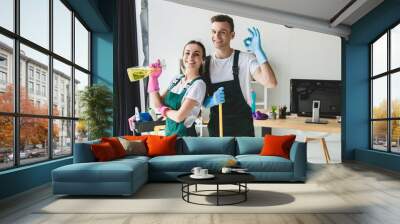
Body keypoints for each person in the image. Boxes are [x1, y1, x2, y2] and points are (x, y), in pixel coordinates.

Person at [203, 15, 278, 137]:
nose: (216, 36)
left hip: (243, 130)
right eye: (214, 32)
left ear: (232, 35)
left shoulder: (245, 59)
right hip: (217, 131)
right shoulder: (205, 64)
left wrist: (259, 52)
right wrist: (212, 101)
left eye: (222, 32)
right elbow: (201, 101)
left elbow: (270, 83)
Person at [148, 40, 207, 136]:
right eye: (187, 53)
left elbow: (179, 116)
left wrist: (164, 110)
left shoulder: (199, 84)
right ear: (183, 57)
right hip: (169, 136)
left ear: (202, 60)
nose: (190, 57)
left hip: (185, 139)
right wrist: (153, 79)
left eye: (196, 54)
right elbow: (157, 104)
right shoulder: (177, 79)